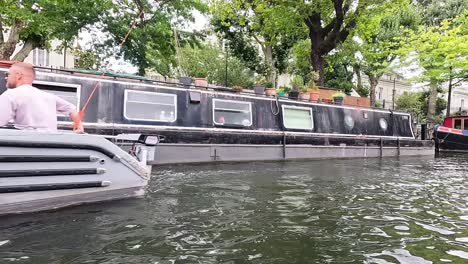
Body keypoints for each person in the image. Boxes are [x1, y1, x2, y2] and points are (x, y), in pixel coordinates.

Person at [0, 62, 84, 133]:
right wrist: (79, 126)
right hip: (50, 146)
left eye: (8, 74)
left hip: (26, 147)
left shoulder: (10, 95)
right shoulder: (49, 96)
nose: (6, 77)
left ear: (18, 75)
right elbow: (71, 108)